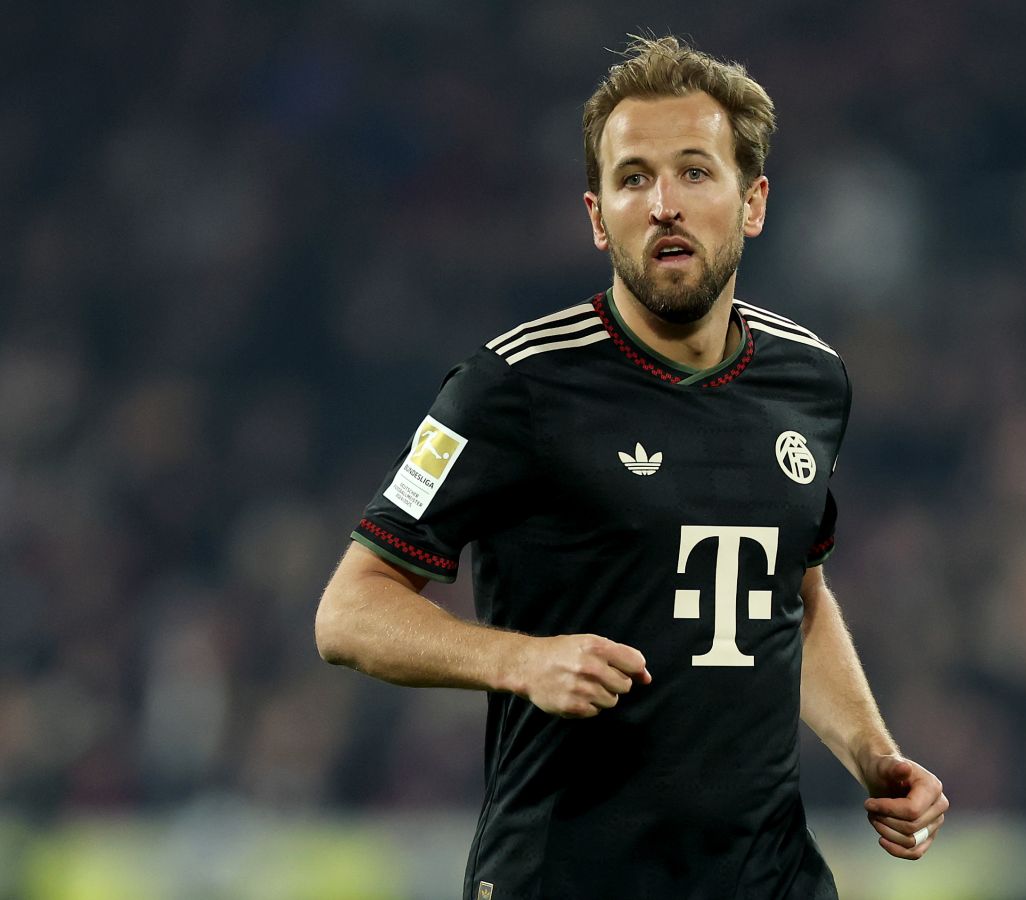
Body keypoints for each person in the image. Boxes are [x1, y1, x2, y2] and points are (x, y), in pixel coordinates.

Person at [316, 34, 948, 899]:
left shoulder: (811, 381)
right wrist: (519, 661)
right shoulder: (513, 387)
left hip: (764, 880)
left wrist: (875, 755)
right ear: (596, 215)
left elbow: (793, 598)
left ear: (753, 202)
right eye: (634, 178)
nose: (664, 206)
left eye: (694, 172)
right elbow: (348, 613)